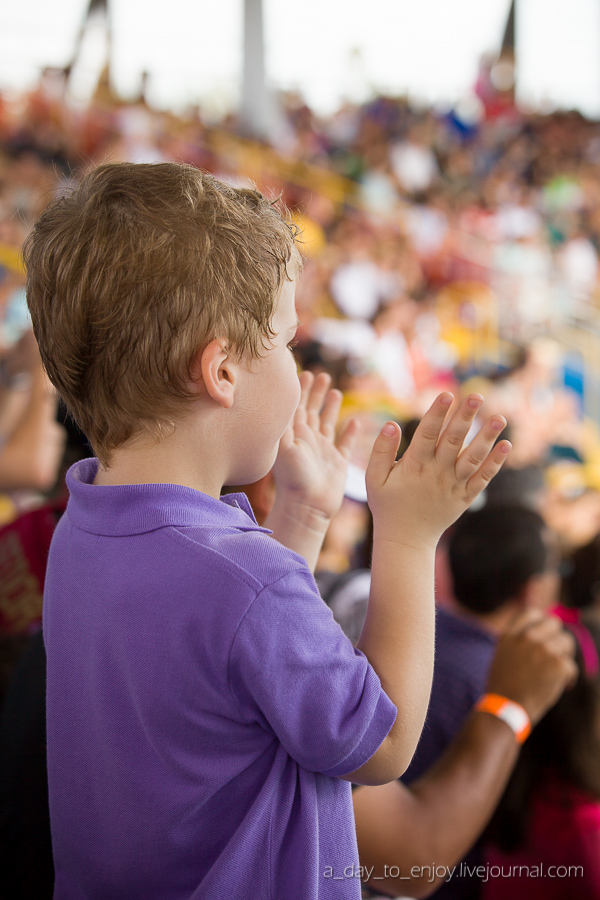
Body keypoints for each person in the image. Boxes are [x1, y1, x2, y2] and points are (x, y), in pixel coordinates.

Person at [21, 162, 561, 900]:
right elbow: (385, 744)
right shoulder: (245, 580)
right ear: (221, 373)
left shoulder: (84, 530)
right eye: (285, 342)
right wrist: (407, 534)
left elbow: (227, 665)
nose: (294, 364)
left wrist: (302, 517)